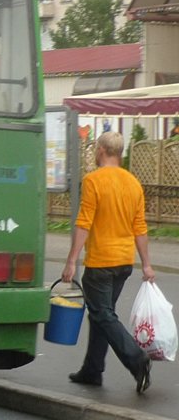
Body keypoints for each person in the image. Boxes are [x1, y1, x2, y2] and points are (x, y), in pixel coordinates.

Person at [62, 131, 155, 393]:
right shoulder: (133, 183)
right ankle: (92, 370)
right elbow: (140, 227)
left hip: (100, 262)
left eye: (96, 149)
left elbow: (83, 223)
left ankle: (137, 359)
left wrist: (71, 261)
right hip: (124, 262)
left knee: (103, 314)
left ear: (101, 150)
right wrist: (146, 263)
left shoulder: (93, 180)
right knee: (103, 315)